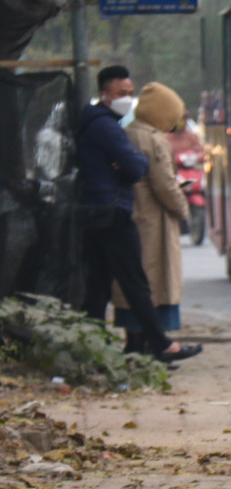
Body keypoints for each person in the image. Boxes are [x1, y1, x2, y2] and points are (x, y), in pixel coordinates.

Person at [77, 66, 201, 364]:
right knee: (135, 282)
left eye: (130, 94)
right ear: (104, 94)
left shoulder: (105, 125)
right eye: (122, 94)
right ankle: (160, 345)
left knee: (100, 286)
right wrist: (130, 163)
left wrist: (128, 162)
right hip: (114, 211)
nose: (127, 99)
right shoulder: (109, 127)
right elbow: (138, 168)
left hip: (100, 210)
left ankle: (89, 350)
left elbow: (132, 165)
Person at [112, 83, 191, 355]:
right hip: (152, 221)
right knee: (154, 283)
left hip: (133, 214)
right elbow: (165, 184)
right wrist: (183, 209)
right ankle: (151, 346)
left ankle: (136, 343)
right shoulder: (153, 139)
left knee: (134, 283)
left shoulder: (127, 132)